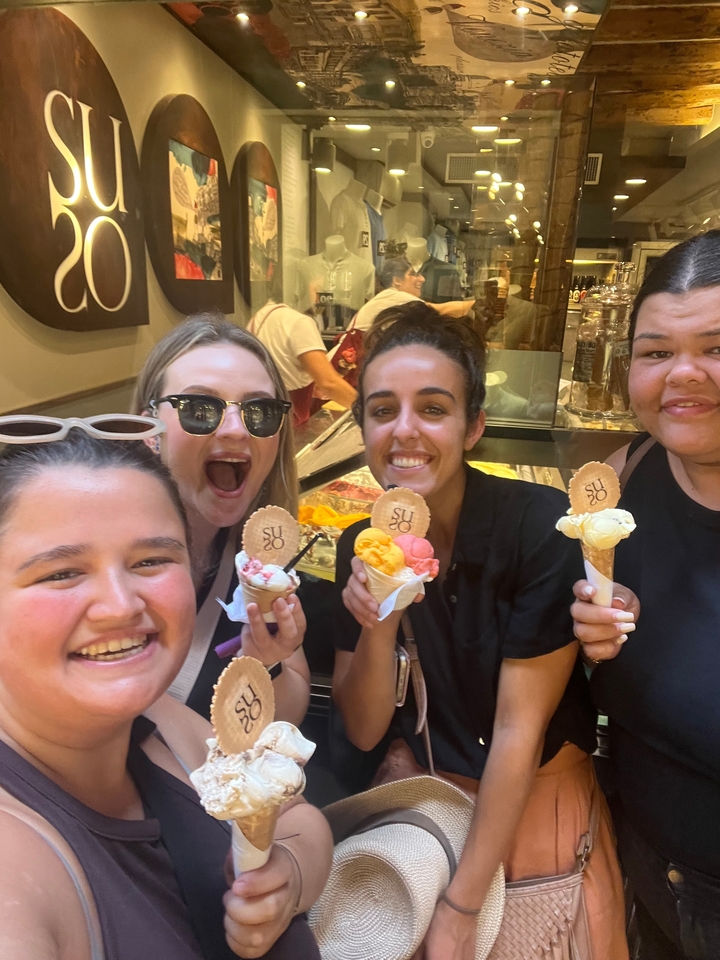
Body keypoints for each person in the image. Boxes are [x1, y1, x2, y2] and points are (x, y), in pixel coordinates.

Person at [332, 303, 628, 960]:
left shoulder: (536, 529)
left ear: (474, 427)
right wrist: (379, 619)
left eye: (433, 409)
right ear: (363, 429)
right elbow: (362, 726)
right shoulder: (362, 540)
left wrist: (463, 907)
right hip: (422, 816)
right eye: (383, 411)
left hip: (530, 813)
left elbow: (518, 733)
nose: (404, 431)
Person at [0, 421, 333, 960]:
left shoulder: (162, 724)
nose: (121, 605)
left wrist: (289, 876)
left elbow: (300, 820)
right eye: (61, 572)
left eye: (151, 560)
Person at [569, 231, 720, 960]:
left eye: (715, 347)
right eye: (657, 353)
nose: (682, 375)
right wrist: (587, 641)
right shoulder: (625, 477)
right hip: (640, 879)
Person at [132, 315, 310, 724]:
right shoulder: (97, 562)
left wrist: (267, 660)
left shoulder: (255, 558)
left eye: (259, 411)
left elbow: (292, 712)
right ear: (149, 429)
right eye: (199, 408)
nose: (235, 430)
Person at [249, 299, 357, 426]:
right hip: (286, 415)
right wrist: (370, 411)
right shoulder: (299, 322)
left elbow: (318, 388)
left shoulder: (261, 317)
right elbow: (328, 384)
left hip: (260, 414)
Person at [353, 257, 479, 333]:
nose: (422, 279)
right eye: (413, 274)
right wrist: (477, 304)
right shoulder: (395, 297)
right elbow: (439, 310)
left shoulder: (388, 296)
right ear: (396, 280)